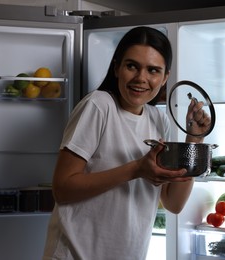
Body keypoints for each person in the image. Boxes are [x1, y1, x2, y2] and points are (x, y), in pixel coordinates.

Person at [43, 26, 211, 260]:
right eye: (132, 66)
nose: (141, 78)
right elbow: (62, 189)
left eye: (153, 70)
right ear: (116, 68)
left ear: (165, 78)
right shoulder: (99, 105)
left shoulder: (158, 119)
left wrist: (194, 140)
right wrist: (135, 169)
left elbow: (173, 202)